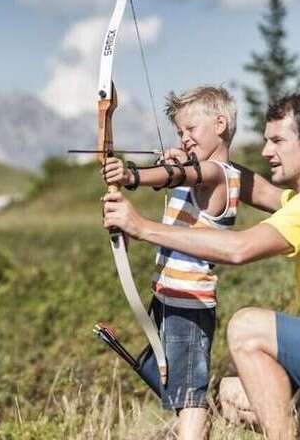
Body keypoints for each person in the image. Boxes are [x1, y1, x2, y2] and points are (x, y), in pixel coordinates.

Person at [102, 93, 300, 439]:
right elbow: (241, 181)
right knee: (232, 396)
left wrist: (143, 227)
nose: (266, 151)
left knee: (247, 327)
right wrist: (188, 166)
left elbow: (240, 249)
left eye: (277, 141)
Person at [103, 85, 240, 440]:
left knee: (190, 398)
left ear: (221, 124)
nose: (185, 138)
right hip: (169, 299)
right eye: (180, 132)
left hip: (189, 304)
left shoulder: (219, 173)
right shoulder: (194, 172)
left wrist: (133, 176)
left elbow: (179, 175)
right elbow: (178, 176)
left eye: (191, 129)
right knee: (183, 393)